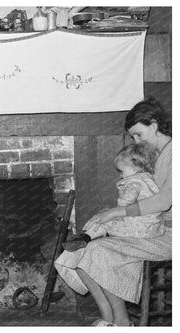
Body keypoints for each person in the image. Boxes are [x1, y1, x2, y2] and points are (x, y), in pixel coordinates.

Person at [54, 97, 171, 326]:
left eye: (139, 134)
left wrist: (117, 214)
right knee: (84, 251)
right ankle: (108, 318)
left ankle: (122, 321)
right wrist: (113, 212)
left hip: (168, 233)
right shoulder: (156, 155)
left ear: (154, 125)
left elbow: (164, 201)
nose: (136, 140)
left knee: (99, 252)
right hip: (150, 227)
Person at [62, 142, 163, 252]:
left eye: (121, 171)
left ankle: (85, 237)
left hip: (138, 227)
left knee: (103, 220)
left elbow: (125, 203)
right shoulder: (148, 180)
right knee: (107, 214)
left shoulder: (133, 183)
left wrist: (115, 212)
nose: (120, 175)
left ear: (134, 168)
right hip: (152, 227)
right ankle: (88, 237)